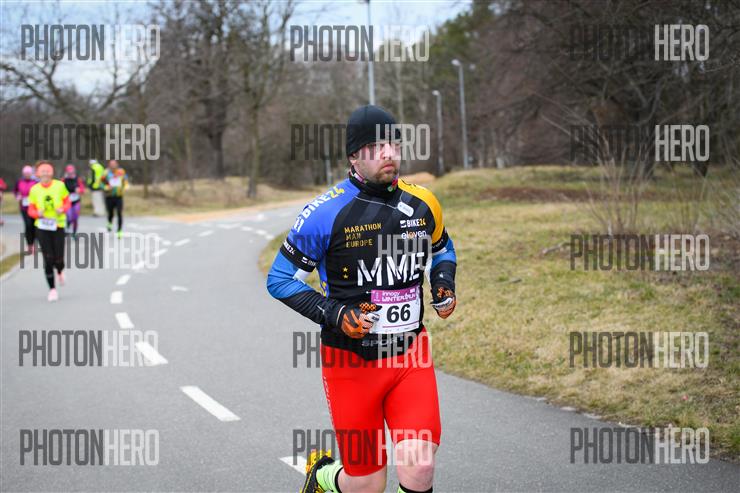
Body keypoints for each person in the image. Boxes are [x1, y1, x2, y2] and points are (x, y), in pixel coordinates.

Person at [267, 105, 458, 493]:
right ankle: (323, 476)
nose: (388, 153)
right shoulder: (324, 213)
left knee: (420, 465)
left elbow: (442, 249)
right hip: (350, 363)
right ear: (354, 156)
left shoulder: (423, 203)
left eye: (393, 144)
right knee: (368, 484)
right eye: (375, 146)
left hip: (410, 356)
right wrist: (334, 312)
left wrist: (443, 282)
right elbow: (280, 279)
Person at [27, 161, 70, 302]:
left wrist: (62, 209)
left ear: (51, 172)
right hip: (42, 227)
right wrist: (37, 213)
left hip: (58, 225)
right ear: (38, 174)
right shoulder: (34, 189)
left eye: (47, 171)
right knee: (48, 258)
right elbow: (30, 210)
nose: (45, 174)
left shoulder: (60, 185)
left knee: (59, 258)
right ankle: (52, 289)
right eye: (42, 171)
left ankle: (60, 271)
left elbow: (67, 202)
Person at [14, 165, 38, 253]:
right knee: (28, 225)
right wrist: (18, 196)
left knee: (34, 226)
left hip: (34, 207)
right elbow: (15, 191)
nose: (27, 175)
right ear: (23, 174)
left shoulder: (35, 182)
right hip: (24, 207)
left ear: (31, 173)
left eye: (28, 173)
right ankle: (29, 245)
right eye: (25, 173)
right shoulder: (19, 181)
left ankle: (34, 244)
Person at [102, 159, 128, 238]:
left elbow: (125, 181)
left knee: (119, 213)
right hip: (109, 196)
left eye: (114, 164)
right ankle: (109, 223)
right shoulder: (106, 173)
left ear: (117, 164)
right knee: (111, 213)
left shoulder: (121, 171)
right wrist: (106, 187)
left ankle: (119, 230)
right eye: (111, 164)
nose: (113, 166)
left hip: (119, 196)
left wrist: (126, 187)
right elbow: (100, 183)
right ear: (109, 165)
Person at [63, 165, 86, 236]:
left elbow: (82, 189)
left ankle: (74, 233)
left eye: (72, 172)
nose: (71, 174)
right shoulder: (64, 180)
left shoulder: (77, 180)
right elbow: (59, 190)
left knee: (75, 218)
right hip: (67, 202)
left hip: (76, 201)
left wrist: (80, 190)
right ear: (66, 172)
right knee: (69, 217)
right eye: (69, 173)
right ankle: (67, 228)